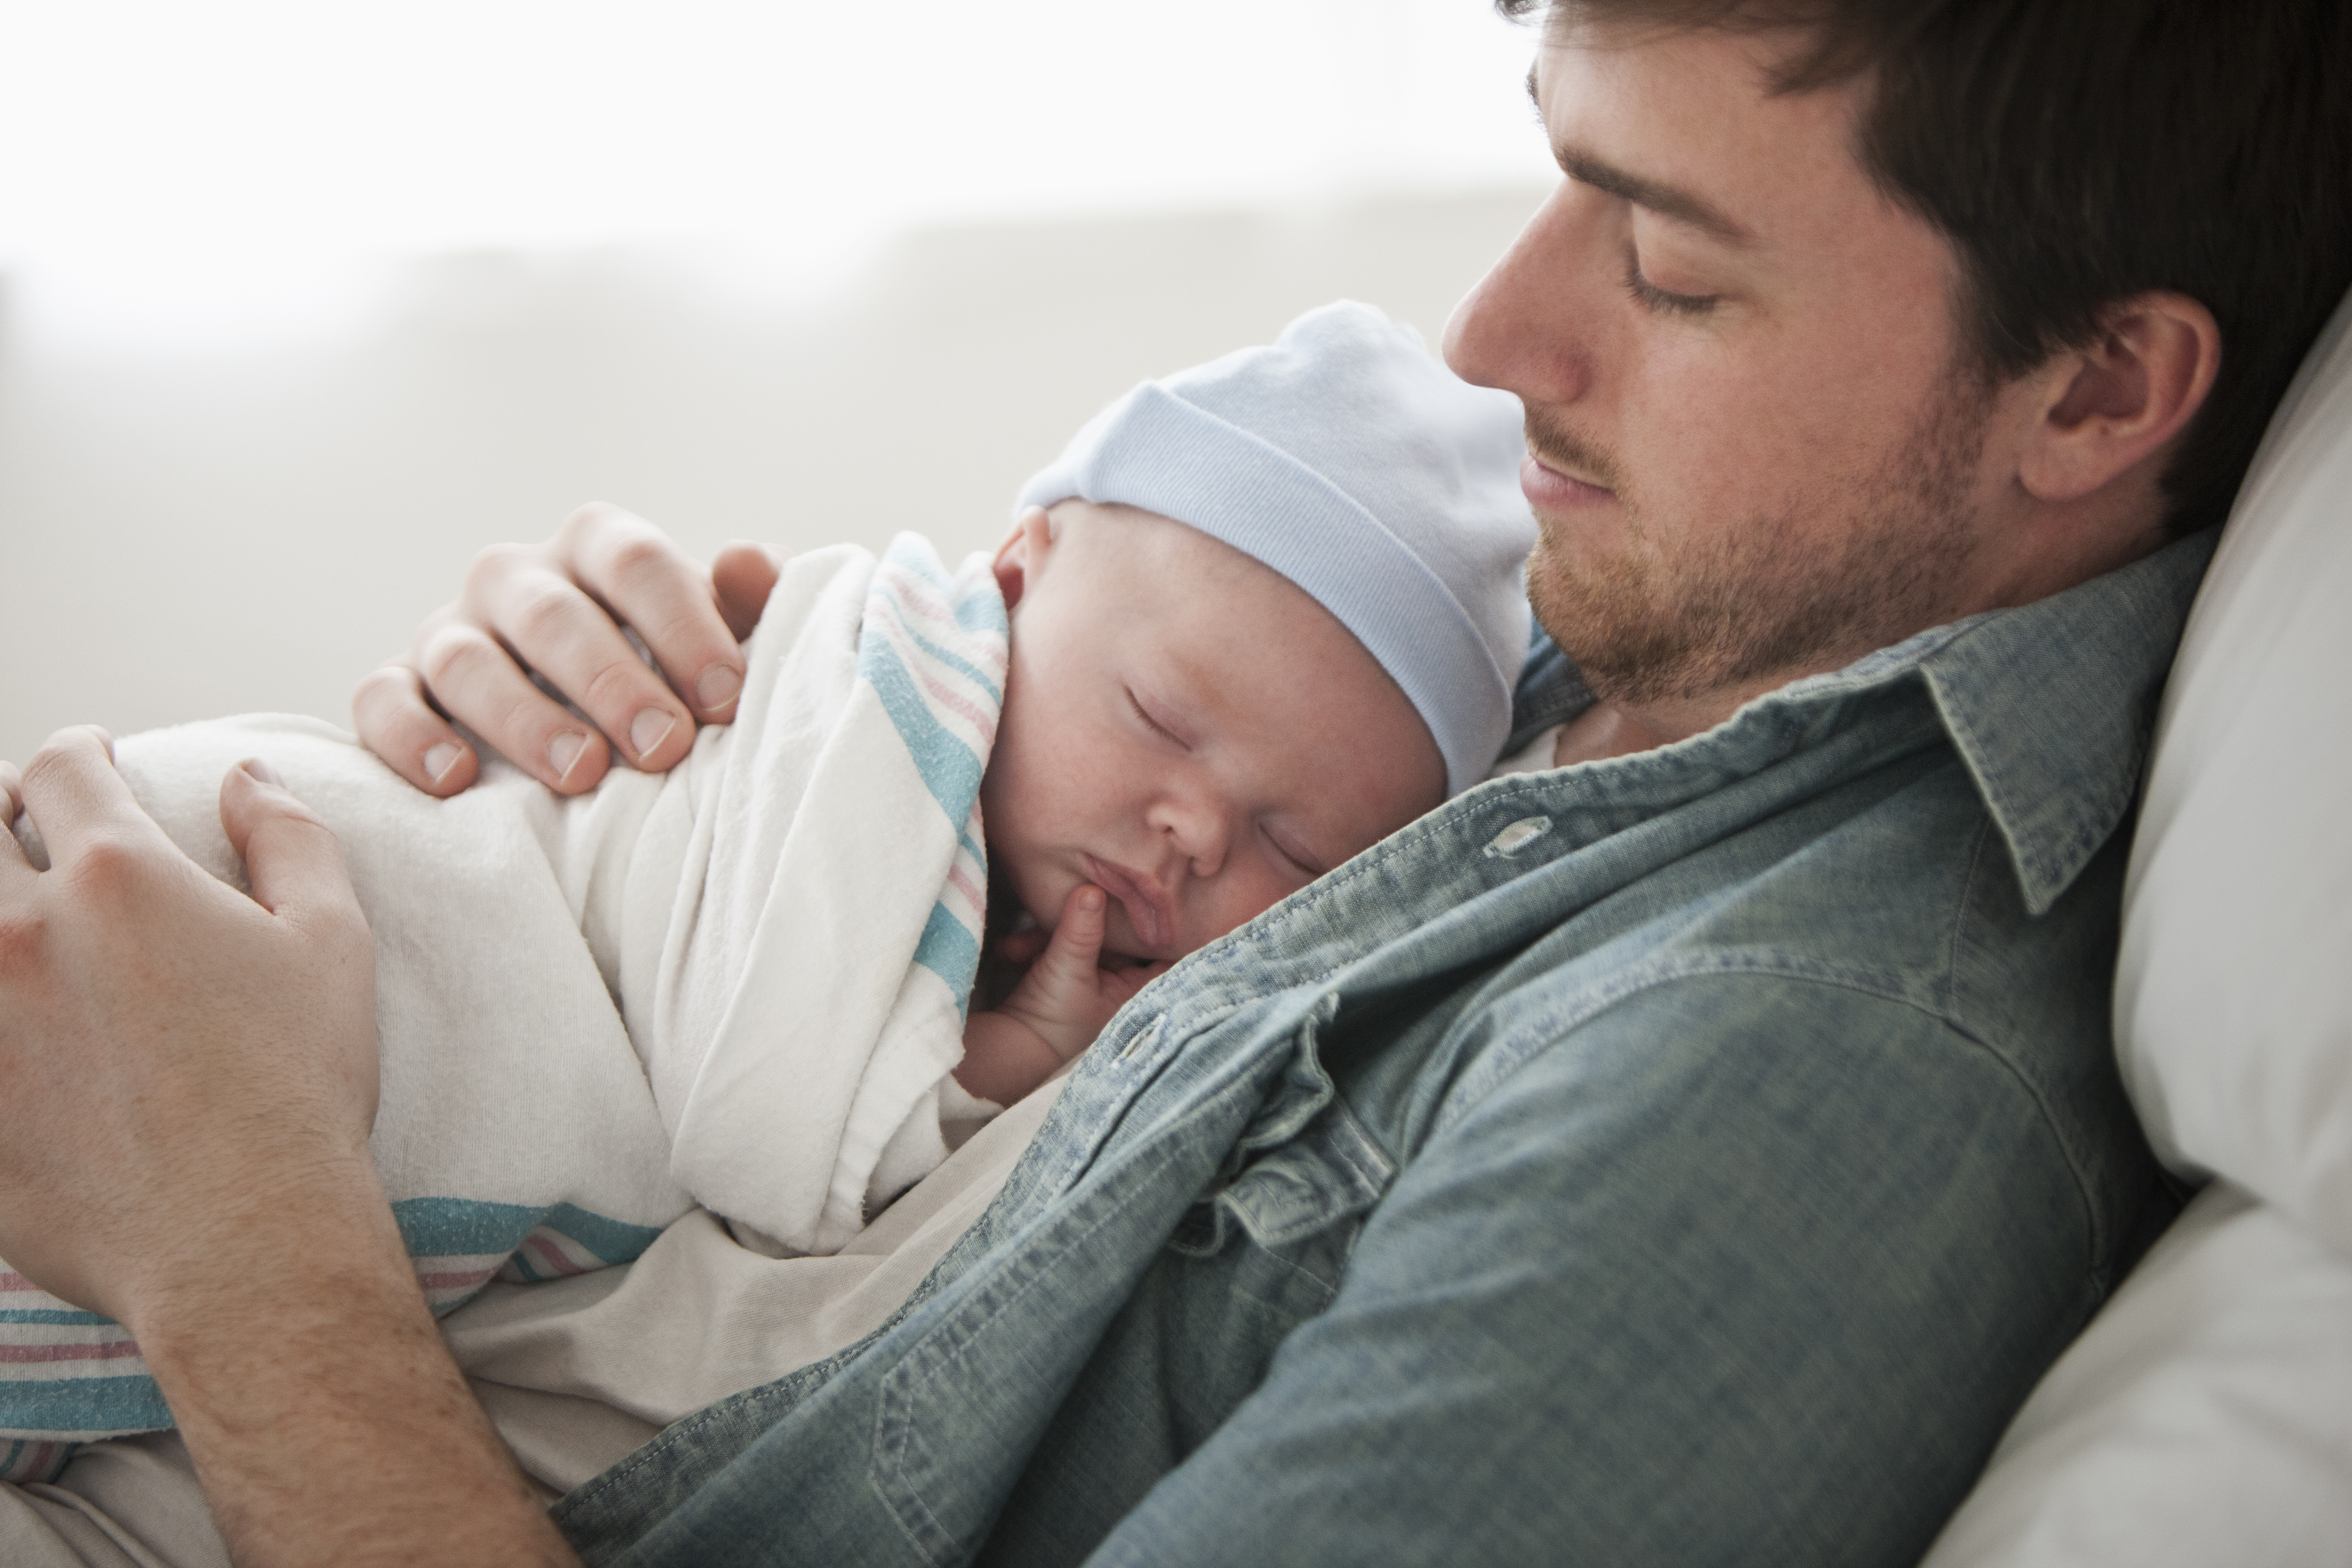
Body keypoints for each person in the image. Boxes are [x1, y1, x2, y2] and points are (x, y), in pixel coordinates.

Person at [0, 1, 2346, 1564]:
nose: (1493, 343)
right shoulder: (1638, 600)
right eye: (1554, 179)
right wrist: (660, 712)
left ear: (2099, 390)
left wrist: (234, 1239)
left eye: (1673, 264)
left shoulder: (1807, 1075)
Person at [0, 303, 1533, 1477]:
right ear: (1015, 569)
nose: (1193, 828)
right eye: (1159, 716)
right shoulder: (879, 705)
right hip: (249, 889)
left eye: (1299, 850)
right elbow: (767, 1120)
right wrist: (988, 1077)